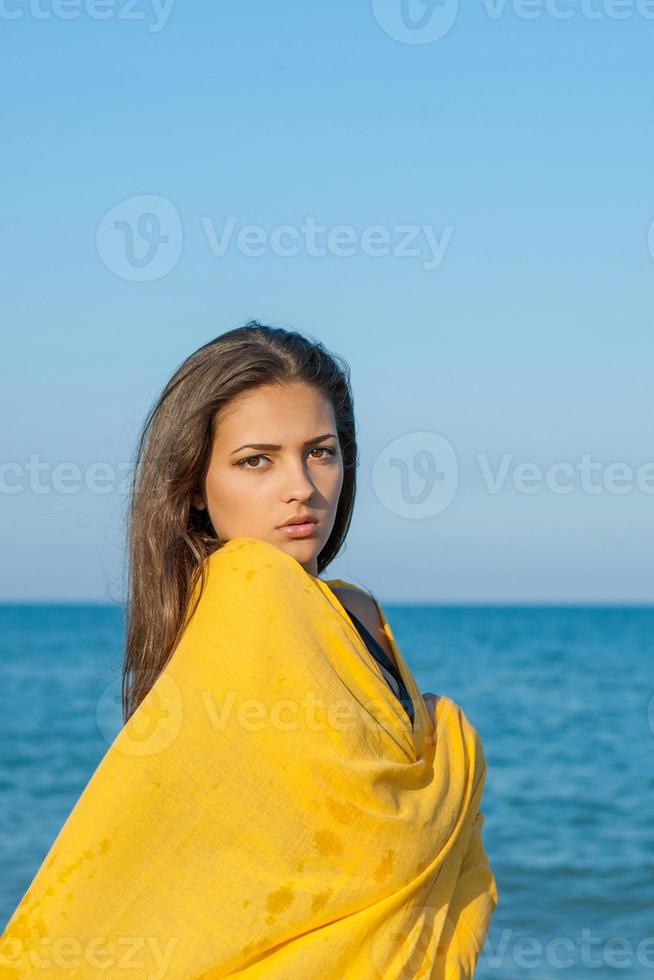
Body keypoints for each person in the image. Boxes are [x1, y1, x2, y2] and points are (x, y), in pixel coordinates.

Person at [0, 321, 499, 978]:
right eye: (255, 460)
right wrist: (451, 757)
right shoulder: (250, 590)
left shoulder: (353, 609)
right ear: (192, 488)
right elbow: (382, 835)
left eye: (320, 452)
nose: (301, 486)